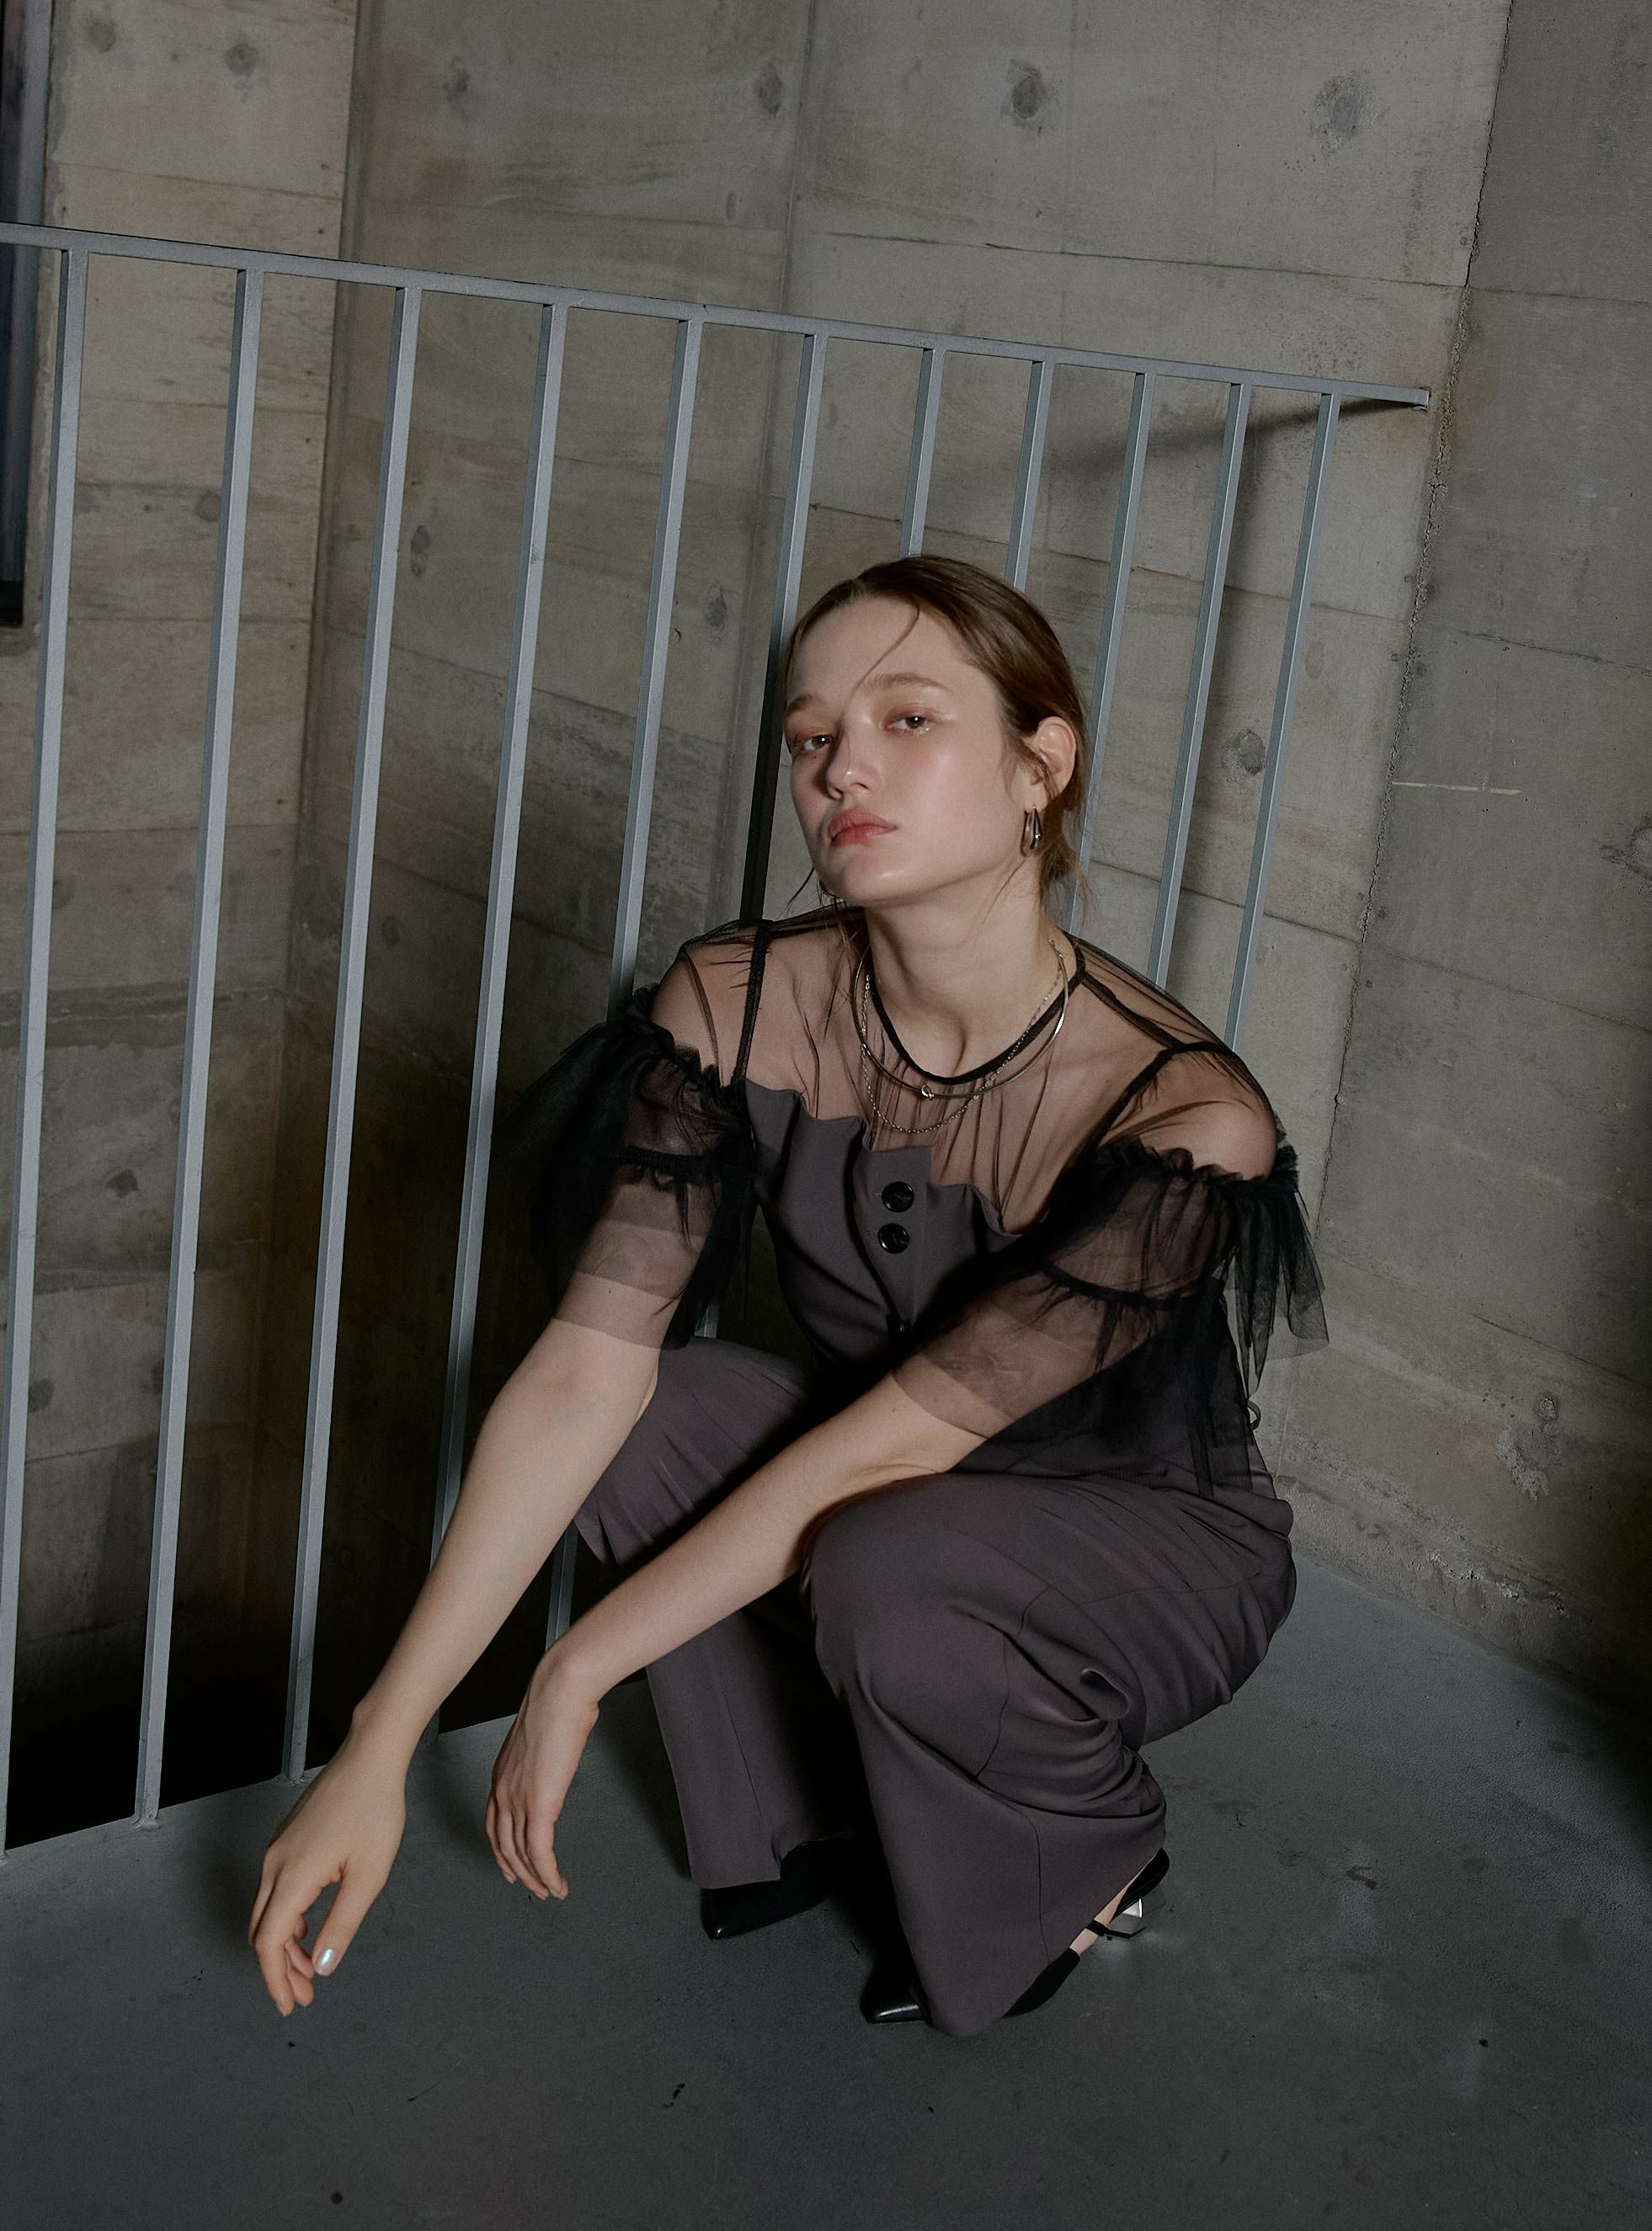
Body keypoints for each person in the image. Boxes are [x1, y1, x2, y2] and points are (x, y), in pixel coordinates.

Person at [248, 555, 1328, 2038]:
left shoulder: (1186, 1112)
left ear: (1041, 763)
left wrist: (577, 1662)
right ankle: (804, 1812)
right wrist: (379, 1742)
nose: (840, 771)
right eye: (812, 737)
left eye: (906, 720)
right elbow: (584, 1373)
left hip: (1138, 1535)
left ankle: (1082, 1846)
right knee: (649, 1413)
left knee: (888, 1559)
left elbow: (903, 1444)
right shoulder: (733, 998)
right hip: (892, 1489)